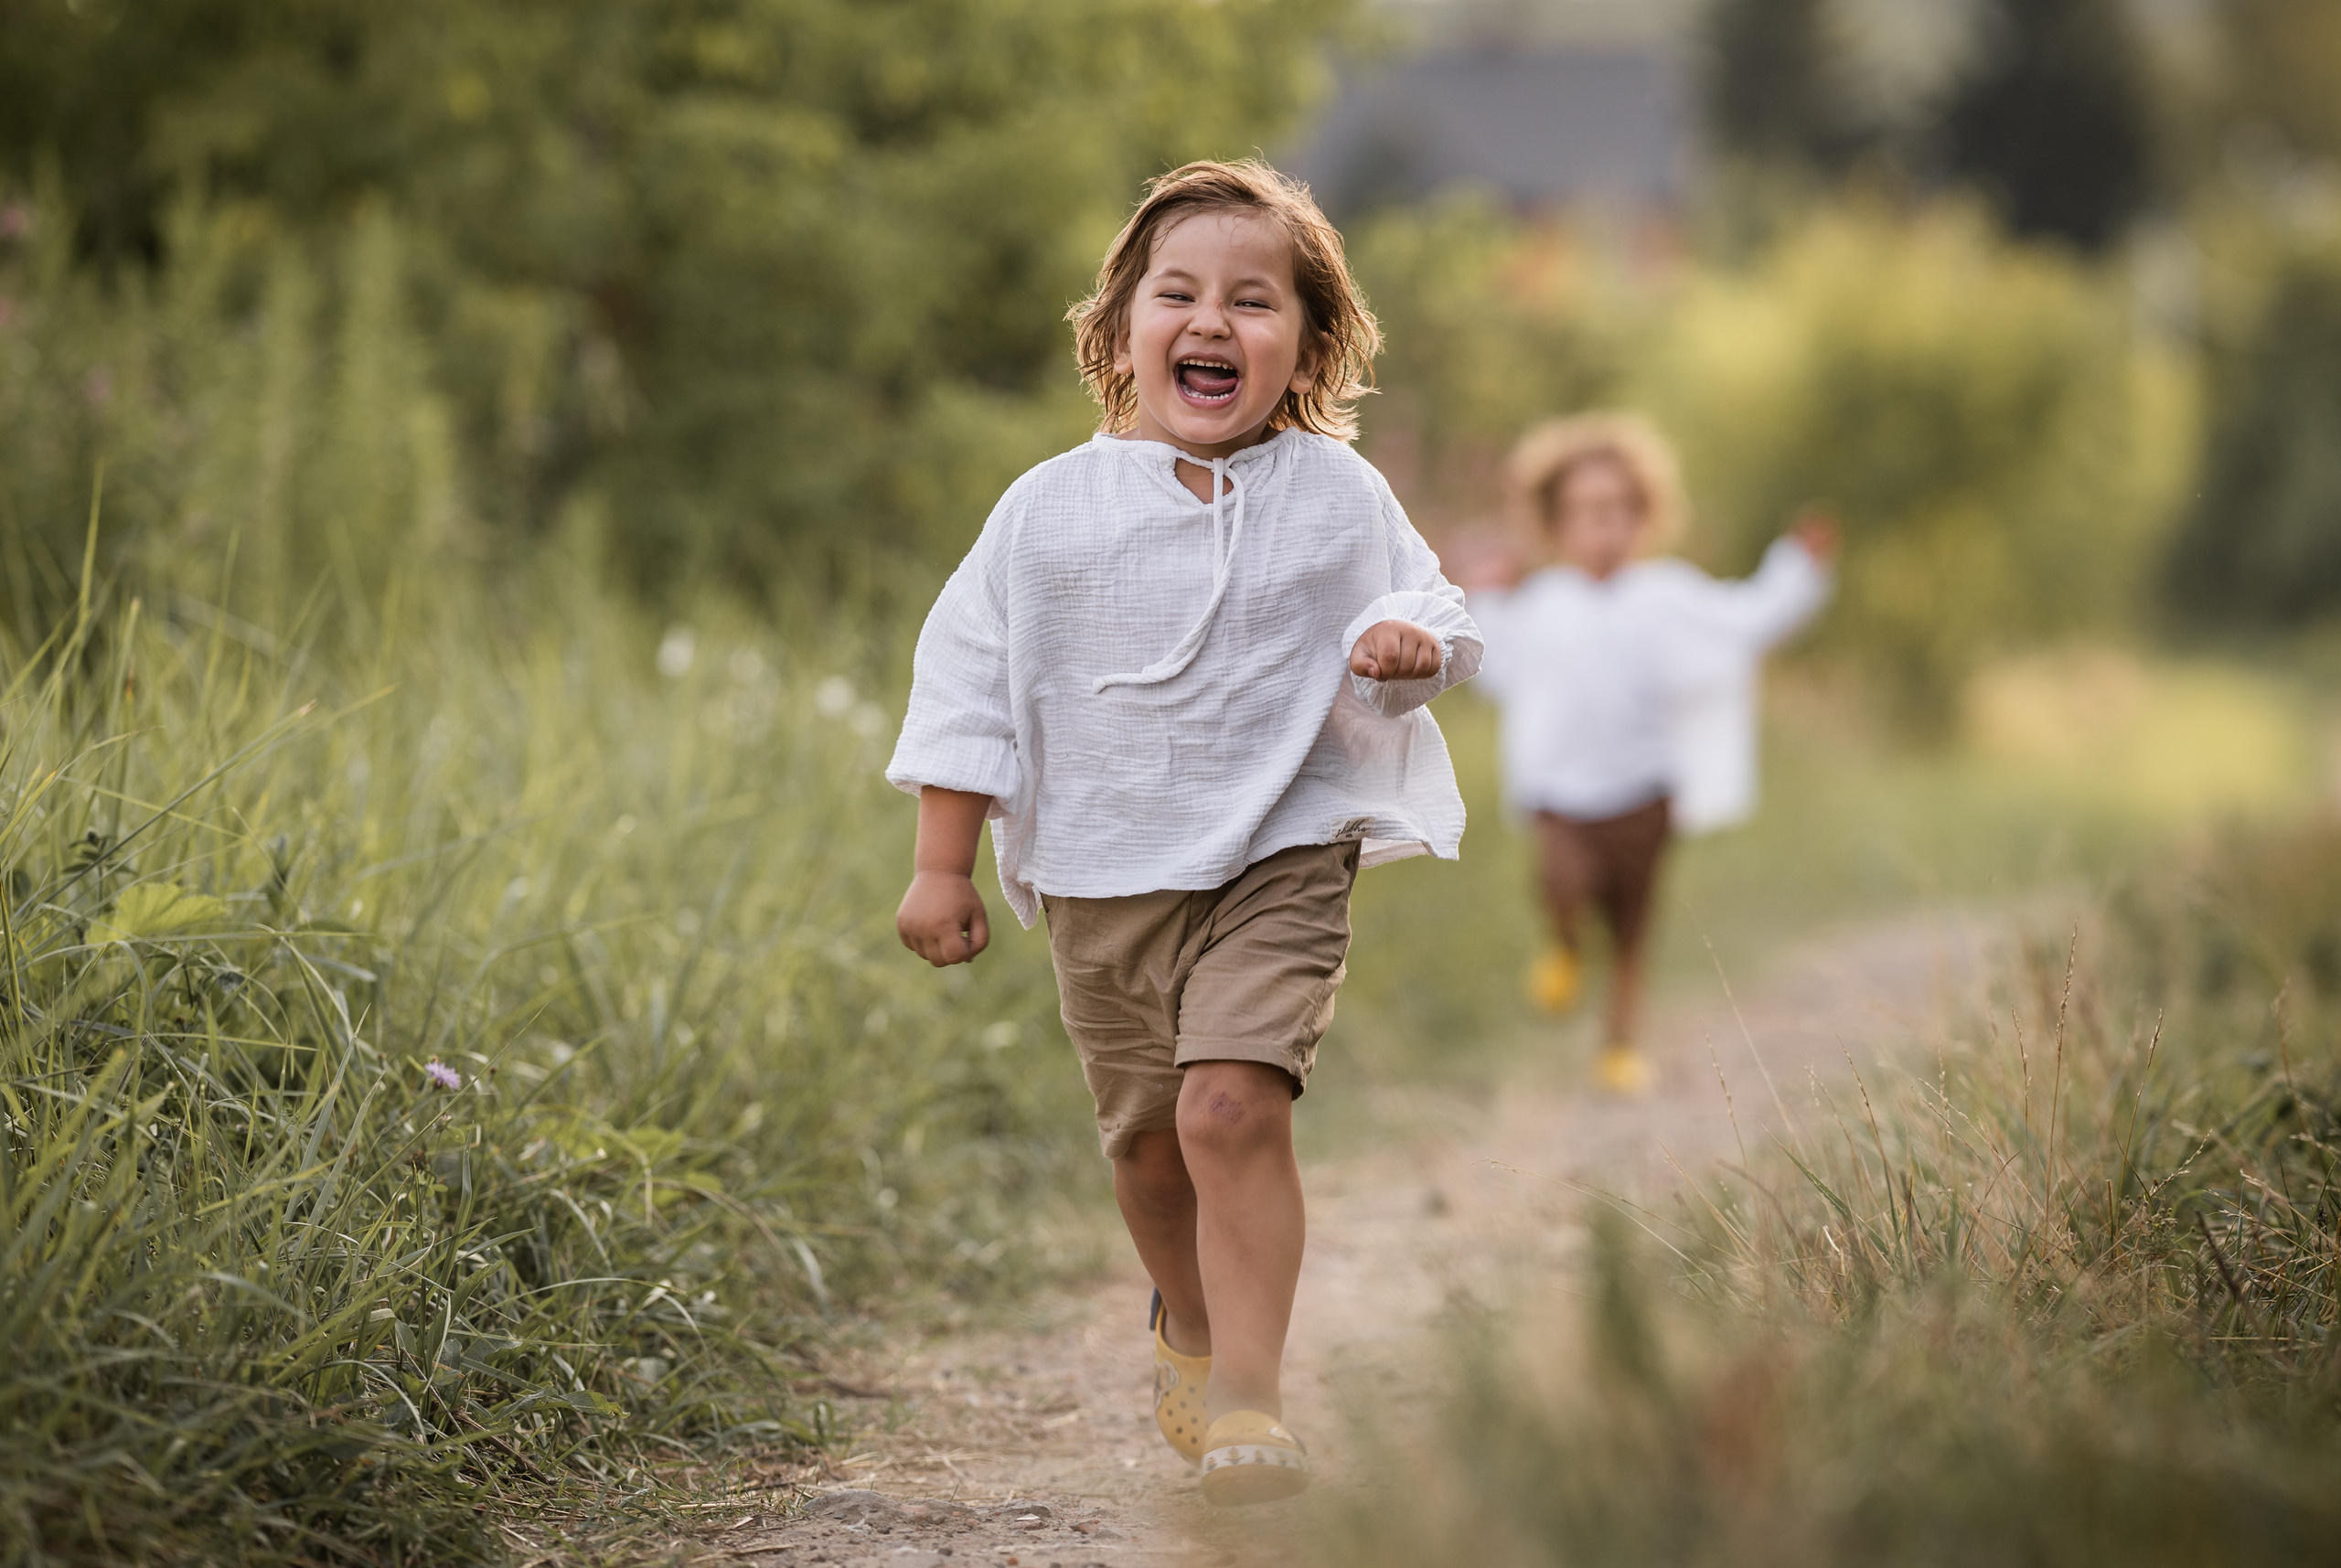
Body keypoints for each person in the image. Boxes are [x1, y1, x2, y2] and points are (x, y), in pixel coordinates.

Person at [885, 160, 1480, 1506]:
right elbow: (968, 675)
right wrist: (940, 860)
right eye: (1179, 294)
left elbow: (1438, 608)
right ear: (1120, 329)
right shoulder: (1048, 513)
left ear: (1309, 346)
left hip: (1280, 849)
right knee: (1152, 1146)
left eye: (1254, 301)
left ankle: (1253, 1400)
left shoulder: (1337, 494)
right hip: (1102, 874)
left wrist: (1409, 647)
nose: (1213, 322)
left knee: (1229, 1106)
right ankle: (1190, 1326)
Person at [1457, 413, 1834, 1094]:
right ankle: (1565, 943)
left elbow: (1745, 619)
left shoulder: (1666, 594)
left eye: (1617, 510)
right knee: (1560, 880)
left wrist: (1797, 568)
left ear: (1643, 515)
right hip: (1560, 793)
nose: (1603, 527)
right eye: (1585, 512)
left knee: (1633, 925)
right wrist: (1481, 591)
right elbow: (1487, 660)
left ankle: (1621, 1047)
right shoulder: (1542, 602)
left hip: (1644, 790)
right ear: (1556, 523)